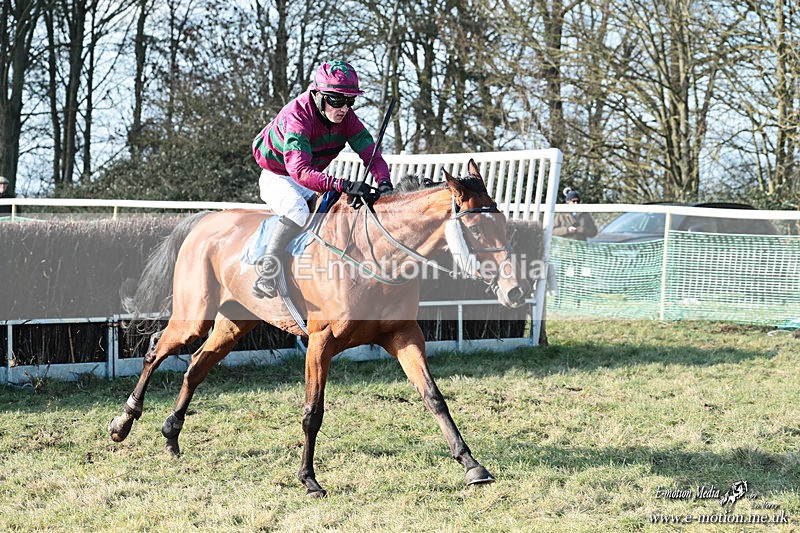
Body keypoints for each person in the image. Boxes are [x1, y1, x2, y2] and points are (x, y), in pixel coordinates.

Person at [251, 60, 393, 299]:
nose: (344, 108)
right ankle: (268, 272)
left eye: (350, 101)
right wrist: (344, 184)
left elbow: (373, 156)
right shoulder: (298, 115)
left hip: (309, 174)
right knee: (297, 210)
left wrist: (385, 184)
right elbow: (300, 172)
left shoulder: (348, 119)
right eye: (337, 100)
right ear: (318, 95)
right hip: (280, 175)